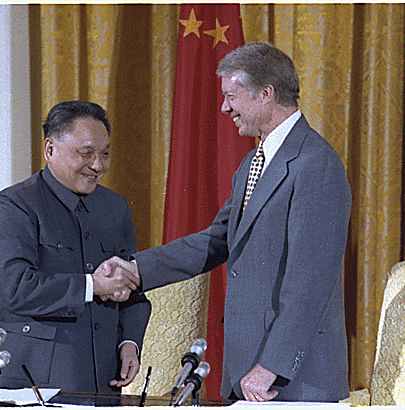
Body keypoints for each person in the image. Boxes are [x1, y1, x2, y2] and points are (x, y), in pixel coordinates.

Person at [101, 42, 351, 402]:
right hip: (248, 369)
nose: (224, 107)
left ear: (266, 94)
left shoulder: (315, 164)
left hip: (290, 376)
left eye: (232, 96)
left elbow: (310, 282)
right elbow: (215, 241)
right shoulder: (254, 163)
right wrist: (136, 270)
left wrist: (271, 367)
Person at [0, 100, 151, 394]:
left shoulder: (115, 207)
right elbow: (16, 289)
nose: (98, 166)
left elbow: (132, 292)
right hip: (33, 383)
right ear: (50, 150)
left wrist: (129, 343)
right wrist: (92, 285)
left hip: (104, 381)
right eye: (86, 154)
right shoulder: (15, 205)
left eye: (105, 154)